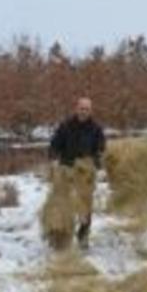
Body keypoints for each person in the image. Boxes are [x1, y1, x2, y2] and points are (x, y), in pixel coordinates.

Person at [48, 96, 106, 249]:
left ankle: (83, 236)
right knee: (62, 205)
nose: (84, 112)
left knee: (85, 207)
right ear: (76, 108)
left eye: (87, 109)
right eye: (81, 108)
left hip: (85, 174)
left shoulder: (96, 128)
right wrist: (53, 160)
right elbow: (54, 145)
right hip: (66, 170)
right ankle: (61, 237)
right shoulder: (65, 126)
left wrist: (97, 162)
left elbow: (101, 148)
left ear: (90, 111)